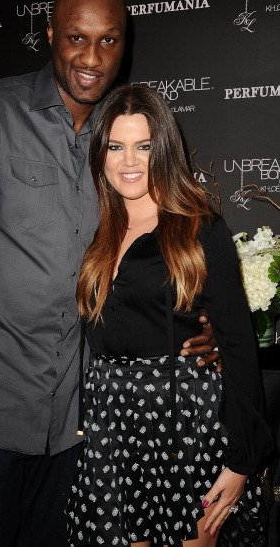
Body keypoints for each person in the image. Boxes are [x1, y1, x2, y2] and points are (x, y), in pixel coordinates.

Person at [0, 0, 217, 547]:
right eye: (76, 37)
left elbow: (162, 246)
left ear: (125, 44)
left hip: (75, 430)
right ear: (49, 34)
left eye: (108, 40)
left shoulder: (123, 140)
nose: (91, 57)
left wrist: (205, 322)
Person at [67, 83, 274, 547]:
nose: (129, 161)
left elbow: (239, 348)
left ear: (162, 148)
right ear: (101, 153)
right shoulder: (96, 229)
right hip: (114, 429)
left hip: (185, 425)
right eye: (116, 146)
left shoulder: (198, 228)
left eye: (143, 146)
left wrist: (242, 461)